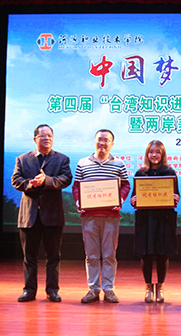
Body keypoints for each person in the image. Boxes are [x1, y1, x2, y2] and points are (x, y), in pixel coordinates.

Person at [11, 124, 72, 303]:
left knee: (53, 256)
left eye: (50, 136)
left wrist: (46, 181)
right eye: (43, 136)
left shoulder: (62, 159)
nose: (47, 138)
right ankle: (29, 290)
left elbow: (66, 179)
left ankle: (52, 290)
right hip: (29, 216)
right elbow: (16, 180)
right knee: (29, 257)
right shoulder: (22, 159)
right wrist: (32, 184)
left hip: (52, 215)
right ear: (35, 139)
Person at [72, 129, 130, 304]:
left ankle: (109, 289)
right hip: (89, 216)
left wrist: (120, 199)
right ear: (94, 141)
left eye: (106, 140)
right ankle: (93, 289)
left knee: (109, 255)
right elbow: (76, 186)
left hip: (111, 216)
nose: (102, 143)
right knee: (91, 255)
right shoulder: (82, 163)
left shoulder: (119, 164)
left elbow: (126, 185)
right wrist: (78, 202)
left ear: (112, 144)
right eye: (99, 139)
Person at [130, 140, 180, 303]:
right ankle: (148, 287)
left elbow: (176, 196)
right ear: (147, 154)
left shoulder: (170, 172)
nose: (154, 155)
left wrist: (175, 198)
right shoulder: (140, 173)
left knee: (162, 253)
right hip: (146, 219)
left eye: (158, 152)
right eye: (151, 152)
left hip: (164, 219)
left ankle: (160, 287)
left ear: (162, 154)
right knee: (146, 254)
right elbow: (134, 197)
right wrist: (133, 200)